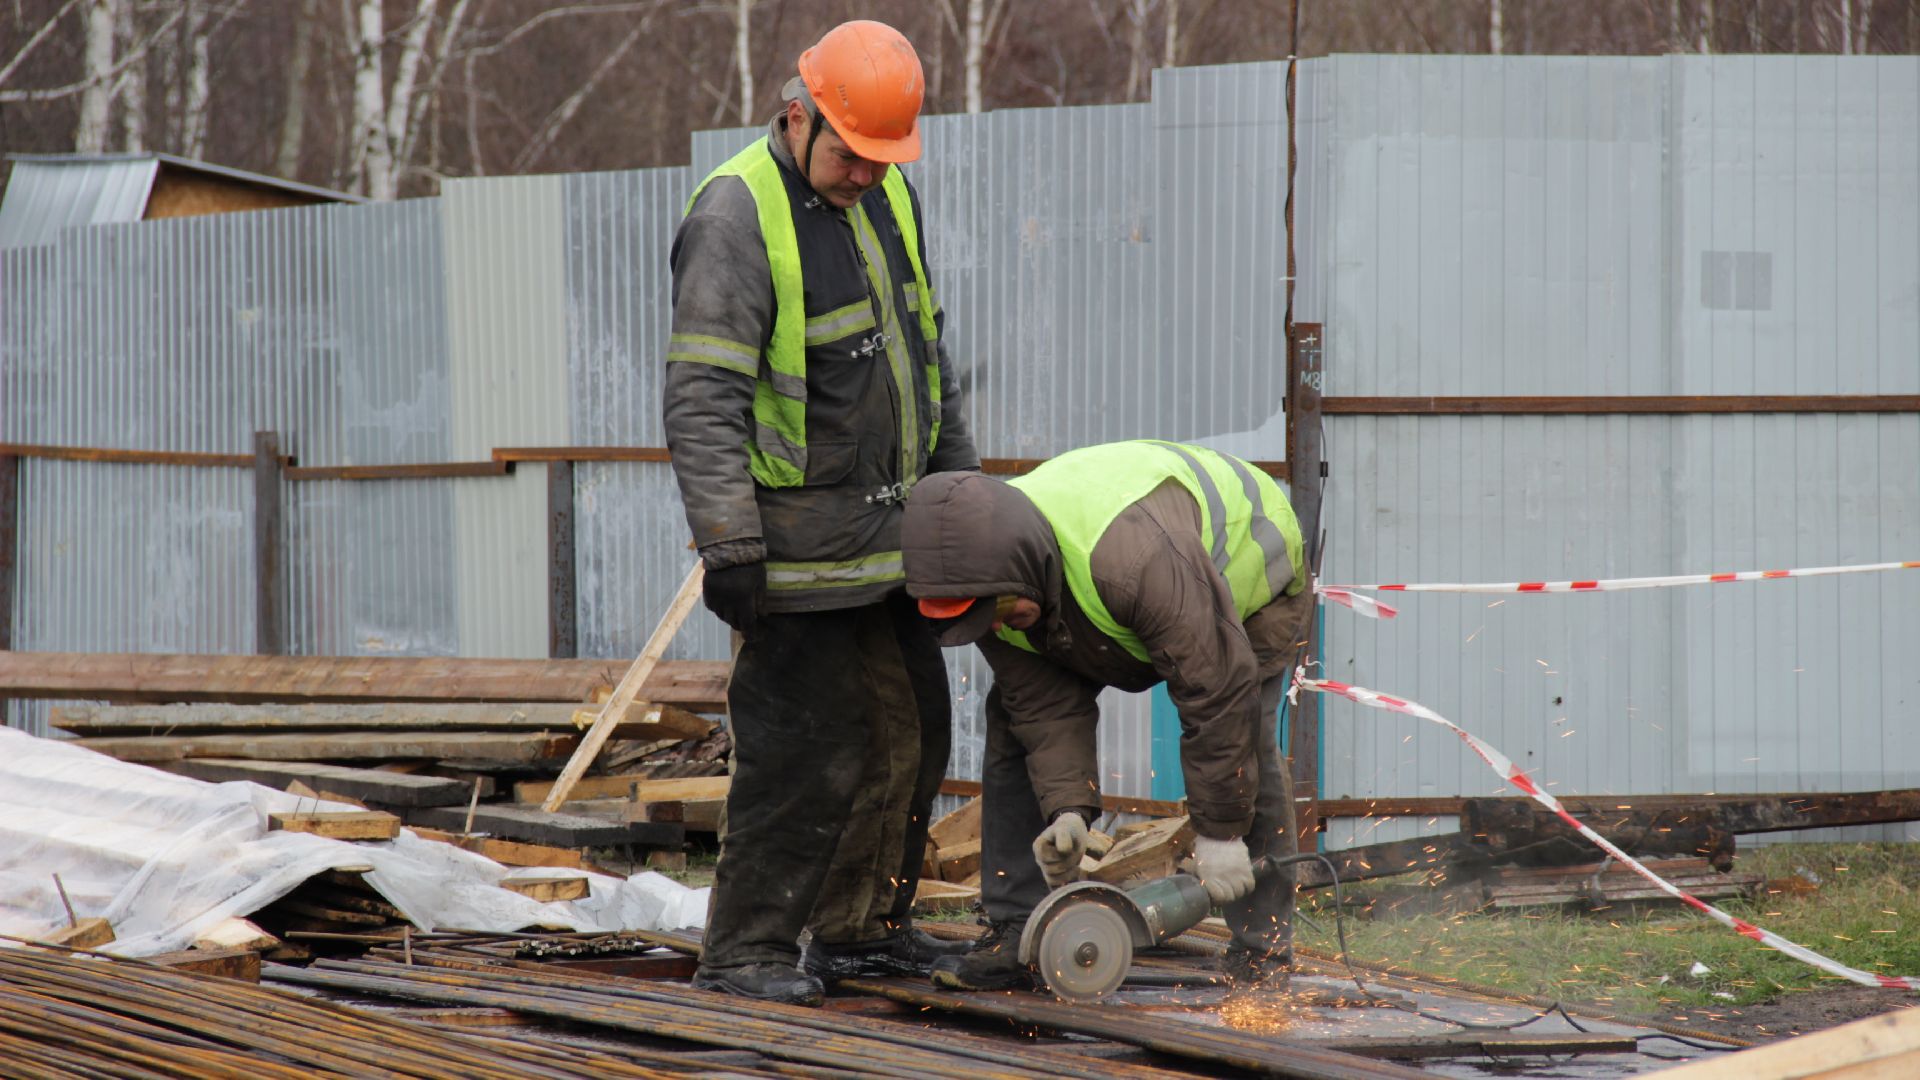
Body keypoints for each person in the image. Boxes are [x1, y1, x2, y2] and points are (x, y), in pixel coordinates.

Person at [663, 19, 978, 1006]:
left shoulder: (884, 199)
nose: (864, 175)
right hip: (793, 557)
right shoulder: (736, 218)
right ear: (796, 117)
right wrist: (730, 543)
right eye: (849, 153)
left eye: (883, 160)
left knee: (913, 729)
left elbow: (928, 366)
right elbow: (702, 396)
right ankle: (747, 948)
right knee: (803, 753)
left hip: (889, 544)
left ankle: (861, 933)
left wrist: (962, 508)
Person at [900, 439, 1311, 991]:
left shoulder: (1135, 560)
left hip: (1247, 568)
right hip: (1121, 577)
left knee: (1243, 735)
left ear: (1022, 572)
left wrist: (1219, 836)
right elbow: (1043, 711)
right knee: (1014, 724)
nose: (997, 632)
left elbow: (1215, 694)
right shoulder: (990, 583)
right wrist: (1067, 812)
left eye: (1001, 615)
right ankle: (1015, 927)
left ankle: (1262, 953)